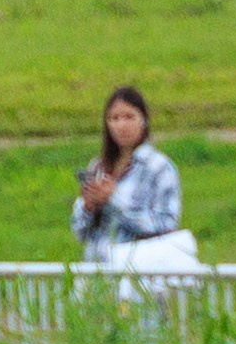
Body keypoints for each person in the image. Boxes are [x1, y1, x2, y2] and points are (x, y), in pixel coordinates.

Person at [72, 86, 190, 266]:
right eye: (114, 118)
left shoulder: (159, 168)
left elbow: (166, 224)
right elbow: (80, 231)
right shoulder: (98, 166)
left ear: (144, 121)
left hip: (140, 271)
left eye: (129, 117)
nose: (121, 125)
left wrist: (113, 200)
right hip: (95, 269)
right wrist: (88, 206)